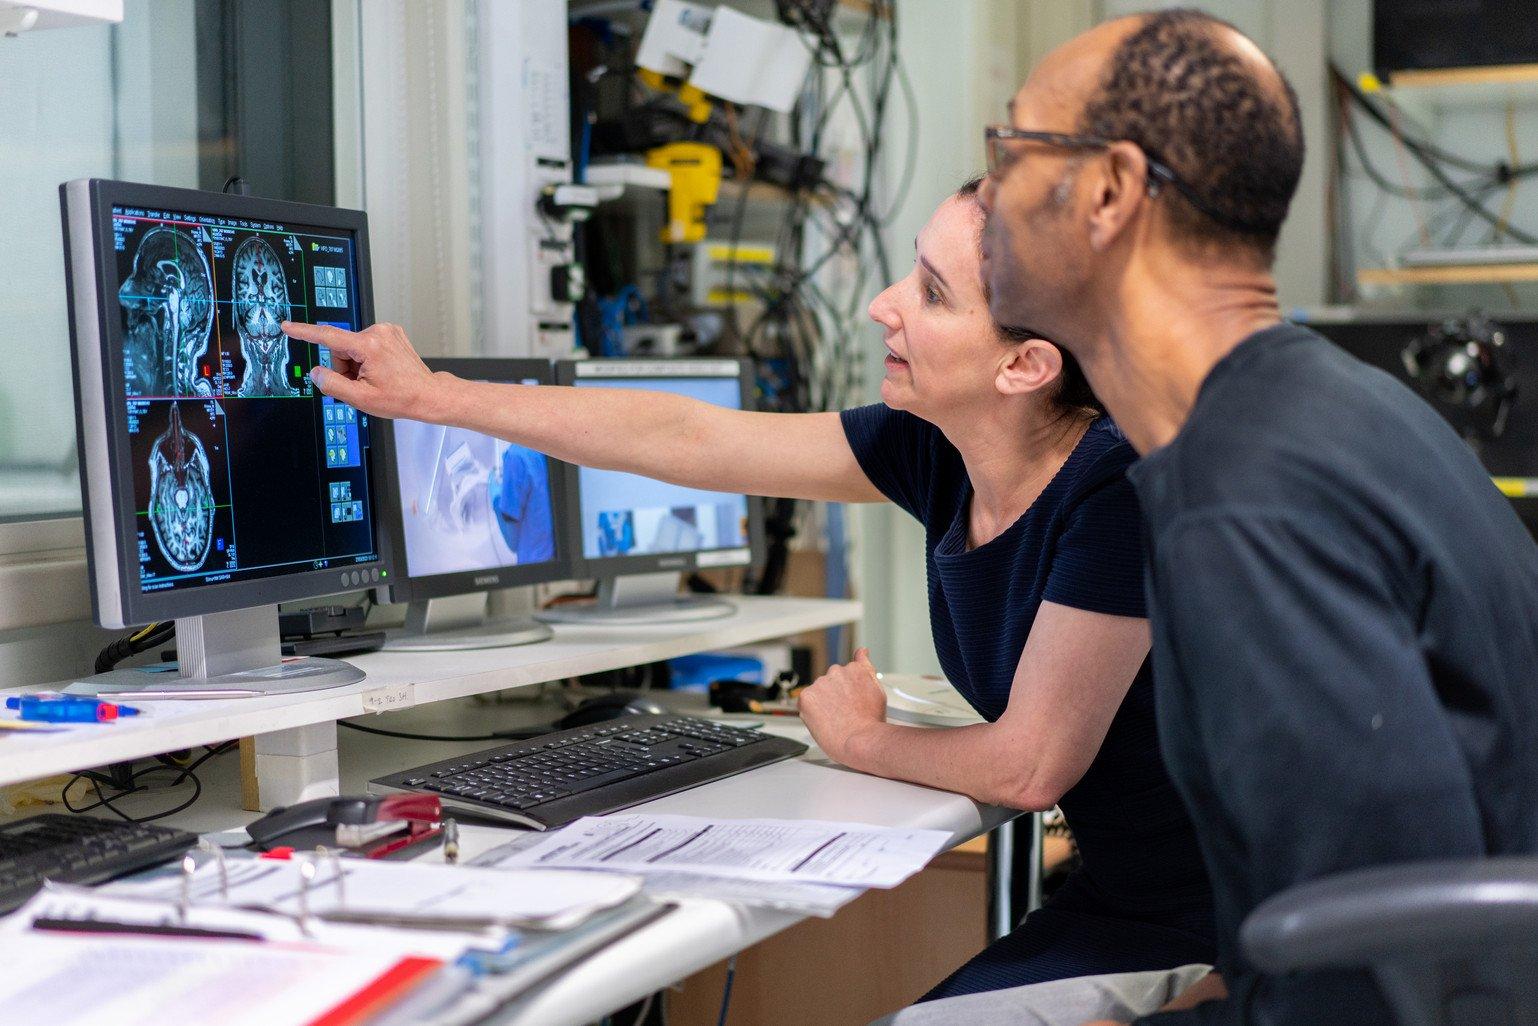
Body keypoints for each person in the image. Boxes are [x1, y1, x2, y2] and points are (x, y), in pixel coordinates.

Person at [282, 180, 1216, 999]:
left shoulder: (1119, 486)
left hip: (1232, 920)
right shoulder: (939, 448)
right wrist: (436, 397)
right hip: (1134, 894)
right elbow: (692, 440)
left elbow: (1028, 768)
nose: (883, 306)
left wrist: (860, 736)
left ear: (1024, 366)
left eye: (932, 293)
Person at [893, 8, 1538, 1025]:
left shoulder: (1242, 504)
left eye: (1009, 150)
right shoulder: (1323, 406)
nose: (987, 193)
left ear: (1104, 192)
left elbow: (1385, 966)